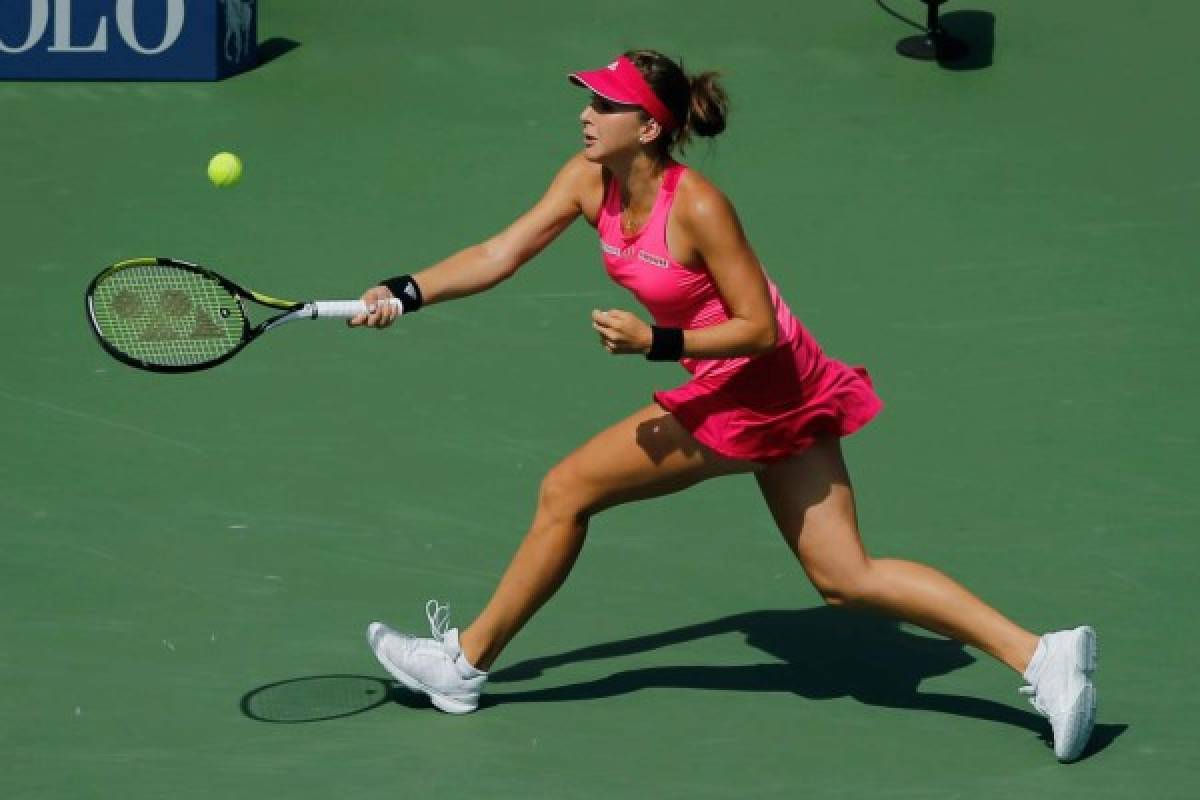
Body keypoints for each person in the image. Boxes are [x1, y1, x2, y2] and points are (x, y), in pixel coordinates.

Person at [349, 50, 1098, 762]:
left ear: (648, 128)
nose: (586, 114)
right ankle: (1042, 655)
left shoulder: (699, 206)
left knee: (566, 489)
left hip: (761, 383)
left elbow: (758, 327)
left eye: (606, 105)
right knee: (846, 579)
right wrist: (404, 291)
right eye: (589, 99)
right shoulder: (587, 179)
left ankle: (463, 664)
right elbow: (499, 251)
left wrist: (657, 342)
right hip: (761, 383)